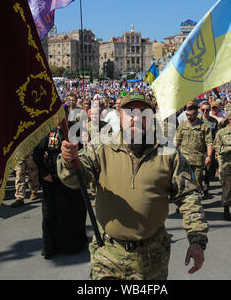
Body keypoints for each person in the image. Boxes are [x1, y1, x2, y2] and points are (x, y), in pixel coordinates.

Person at [57, 92, 209, 280]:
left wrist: (196, 240)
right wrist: (68, 161)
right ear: (119, 115)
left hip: (151, 257)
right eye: (129, 112)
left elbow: (189, 196)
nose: (135, 118)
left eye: (142, 113)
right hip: (108, 254)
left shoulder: (168, 152)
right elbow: (73, 179)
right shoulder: (101, 146)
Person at [33, 122, 88, 259]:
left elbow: (84, 152)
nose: (58, 120)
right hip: (52, 180)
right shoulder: (46, 130)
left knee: (76, 212)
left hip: (71, 180)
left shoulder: (76, 129)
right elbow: (37, 153)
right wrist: (44, 173)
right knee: (50, 215)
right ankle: (49, 247)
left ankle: (75, 244)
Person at [175, 104, 214, 197]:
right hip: (184, 160)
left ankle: (195, 203)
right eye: (187, 115)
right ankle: (184, 204)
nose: (188, 117)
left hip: (197, 160)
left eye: (191, 115)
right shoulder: (182, 126)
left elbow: (209, 143)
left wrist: (209, 156)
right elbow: (177, 143)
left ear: (196, 114)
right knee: (183, 184)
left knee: (196, 184)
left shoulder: (204, 127)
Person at [200, 102, 219, 196]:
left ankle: (206, 185)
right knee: (198, 168)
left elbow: (217, 135)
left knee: (209, 168)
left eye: (207, 110)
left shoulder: (214, 121)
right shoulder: (197, 120)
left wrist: (217, 149)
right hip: (199, 147)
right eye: (203, 110)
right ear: (200, 110)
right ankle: (199, 186)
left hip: (210, 147)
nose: (205, 112)